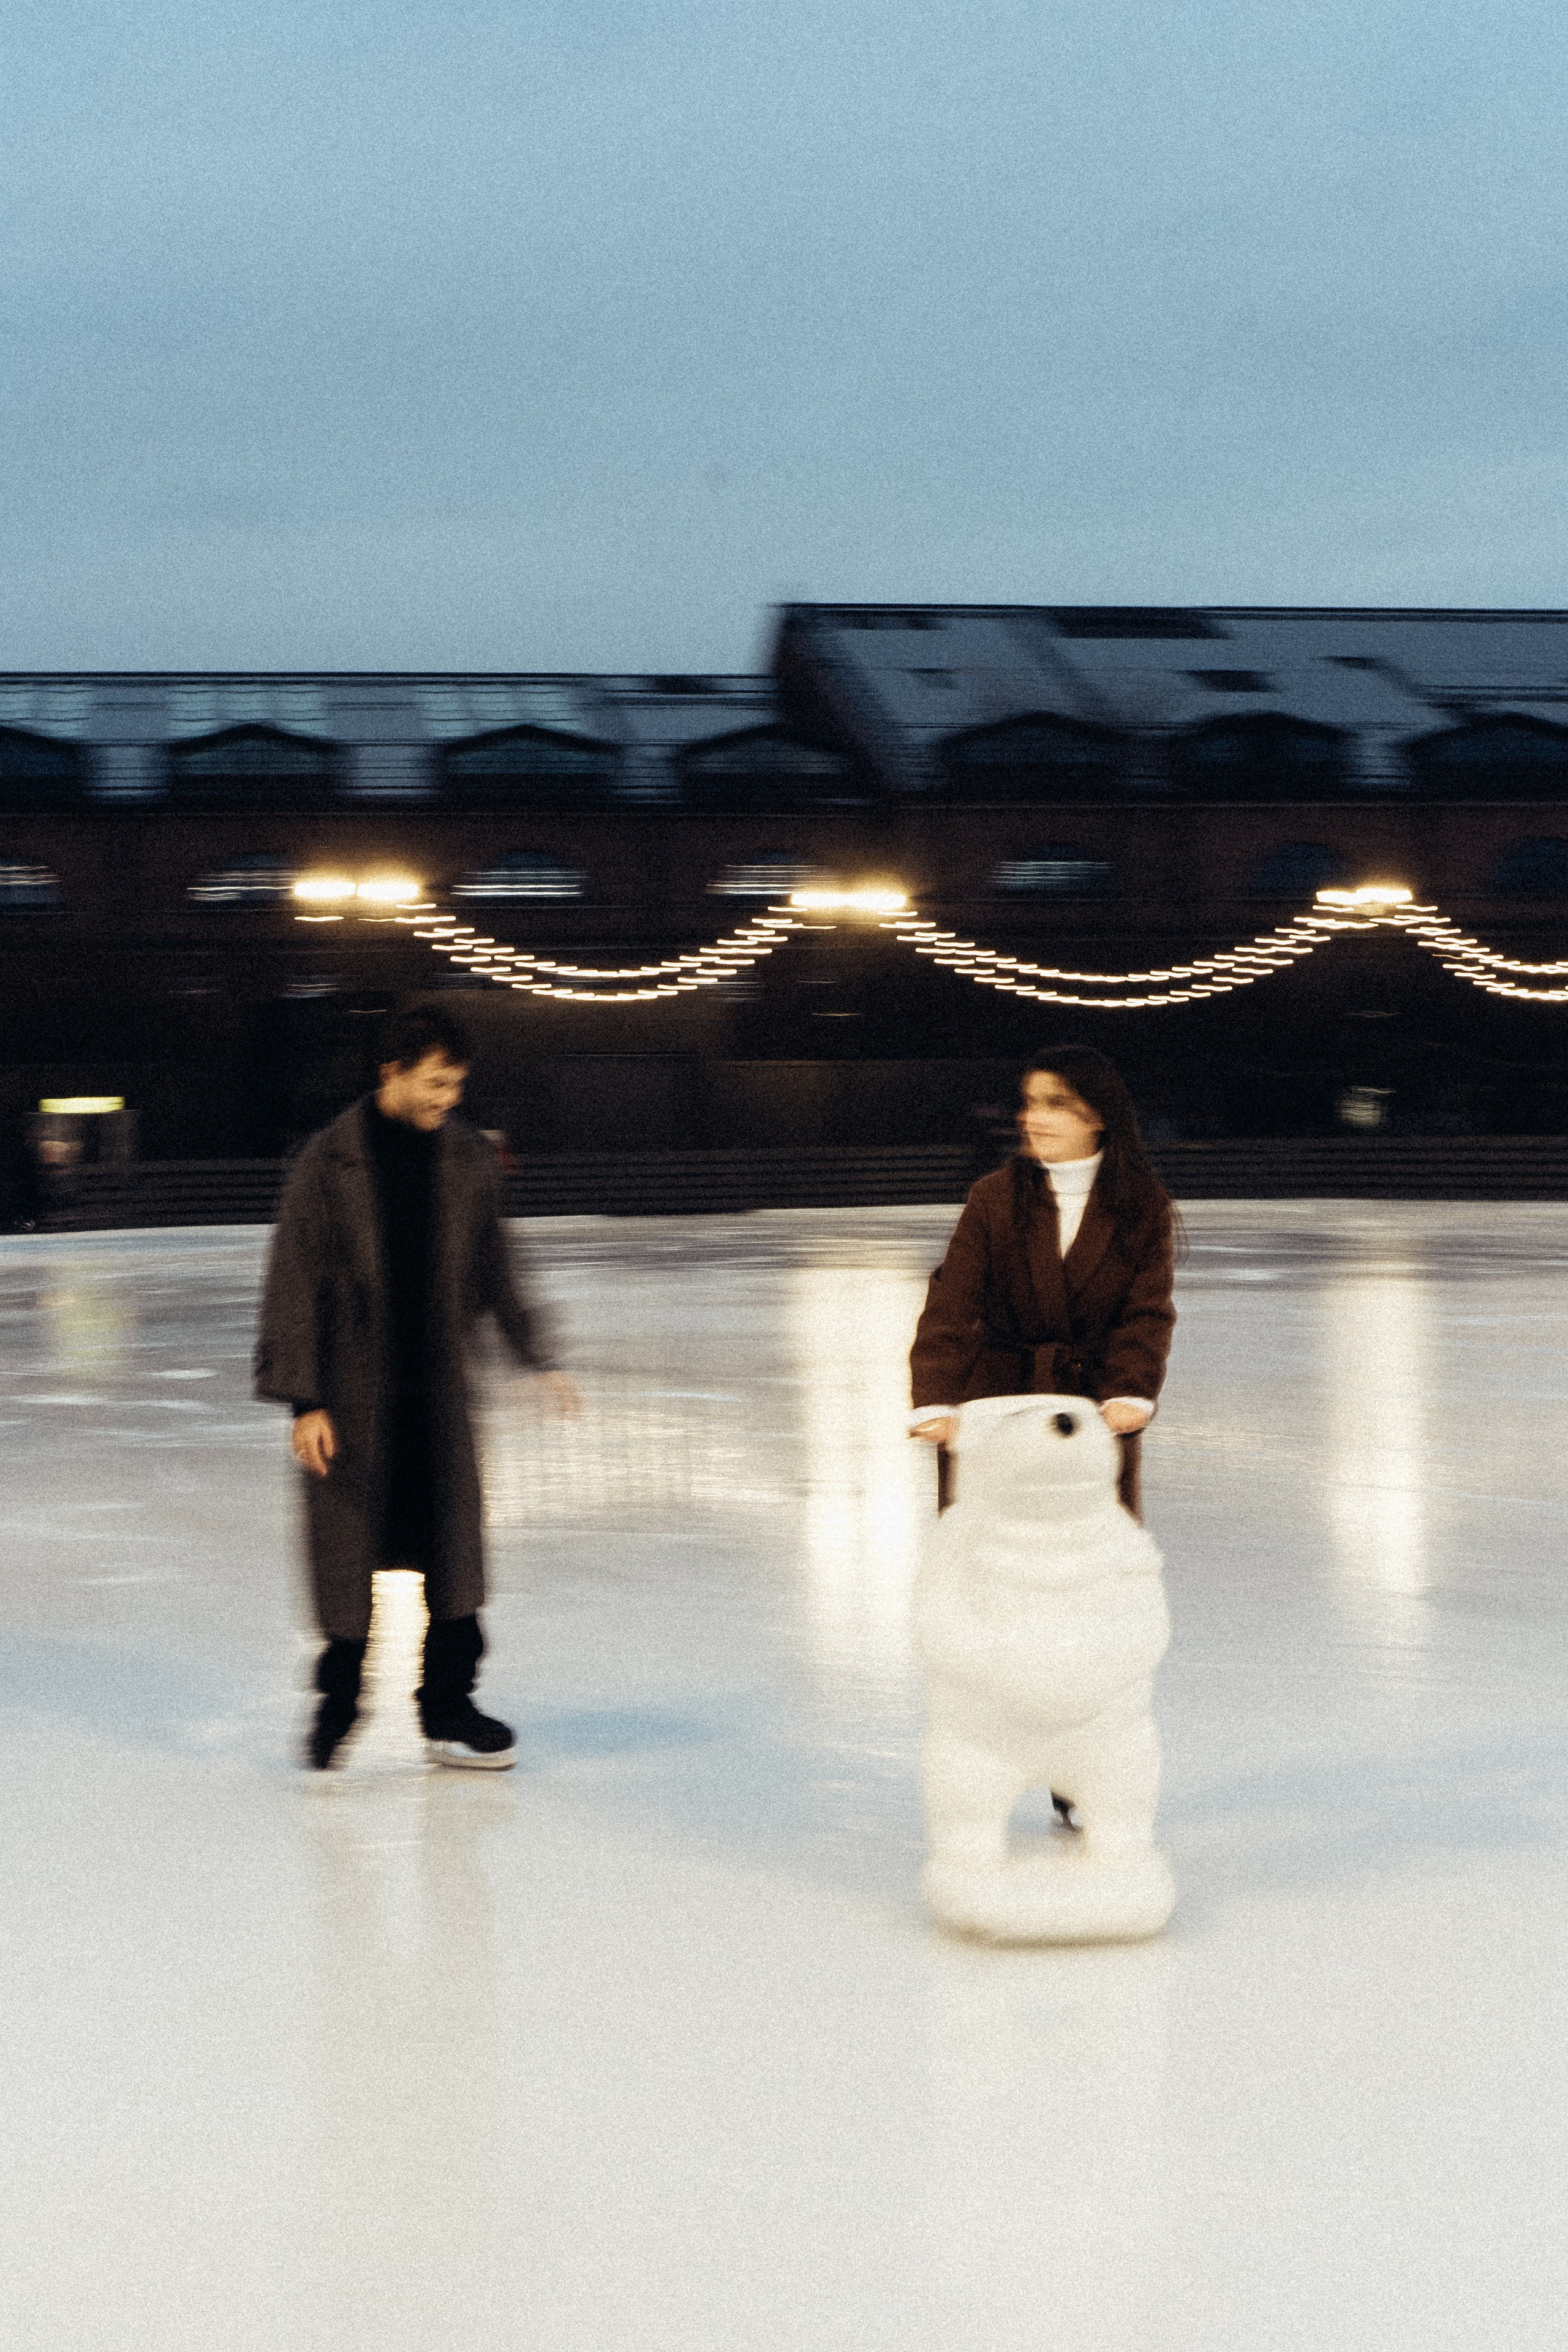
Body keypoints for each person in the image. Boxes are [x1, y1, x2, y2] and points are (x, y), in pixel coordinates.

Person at [255, 1001, 580, 1770]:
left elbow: (499, 1266)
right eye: (435, 1083)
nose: (448, 1098)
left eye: (457, 1084)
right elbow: (293, 1284)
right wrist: (305, 1401)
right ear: (391, 1073)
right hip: (351, 1400)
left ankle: (449, 1709)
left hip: (437, 1399)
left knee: (452, 1562)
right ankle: (340, 1706)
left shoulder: (467, 1158)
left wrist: (538, 1354)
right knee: (348, 1563)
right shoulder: (326, 1162)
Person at [908, 1046, 1177, 1522]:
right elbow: (951, 1303)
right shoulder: (994, 1197)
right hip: (996, 1407)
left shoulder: (1142, 1206)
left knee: (1090, 1552)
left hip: (1092, 1410)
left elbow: (1146, 1313)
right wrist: (935, 1398)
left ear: (1099, 1116)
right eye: (1031, 1103)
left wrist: (1129, 1393)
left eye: (1057, 1104)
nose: (1034, 1118)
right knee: (991, 1553)